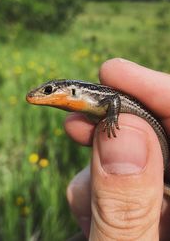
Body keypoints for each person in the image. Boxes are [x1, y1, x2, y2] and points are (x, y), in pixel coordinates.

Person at [65, 58, 170, 241]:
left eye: (49, 91)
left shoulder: (96, 96)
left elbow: (113, 99)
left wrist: (112, 118)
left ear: (73, 91)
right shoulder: (89, 106)